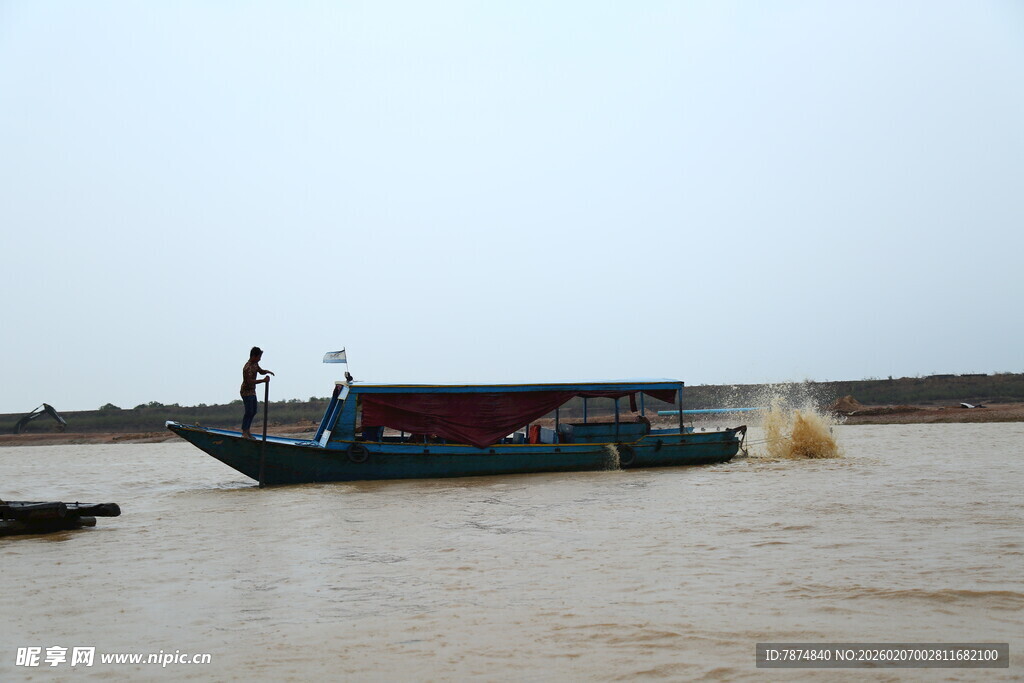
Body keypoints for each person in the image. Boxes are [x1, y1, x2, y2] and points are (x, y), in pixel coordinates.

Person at [240, 346, 274, 439]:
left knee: (254, 411)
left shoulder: (255, 364)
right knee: (249, 411)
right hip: (246, 392)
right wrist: (263, 381)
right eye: (259, 357)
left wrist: (267, 371)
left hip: (252, 391)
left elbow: (260, 371)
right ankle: (244, 431)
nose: (260, 359)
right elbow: (249, 381)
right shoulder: (247, 367)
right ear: (254, 356)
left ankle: (248, 431)